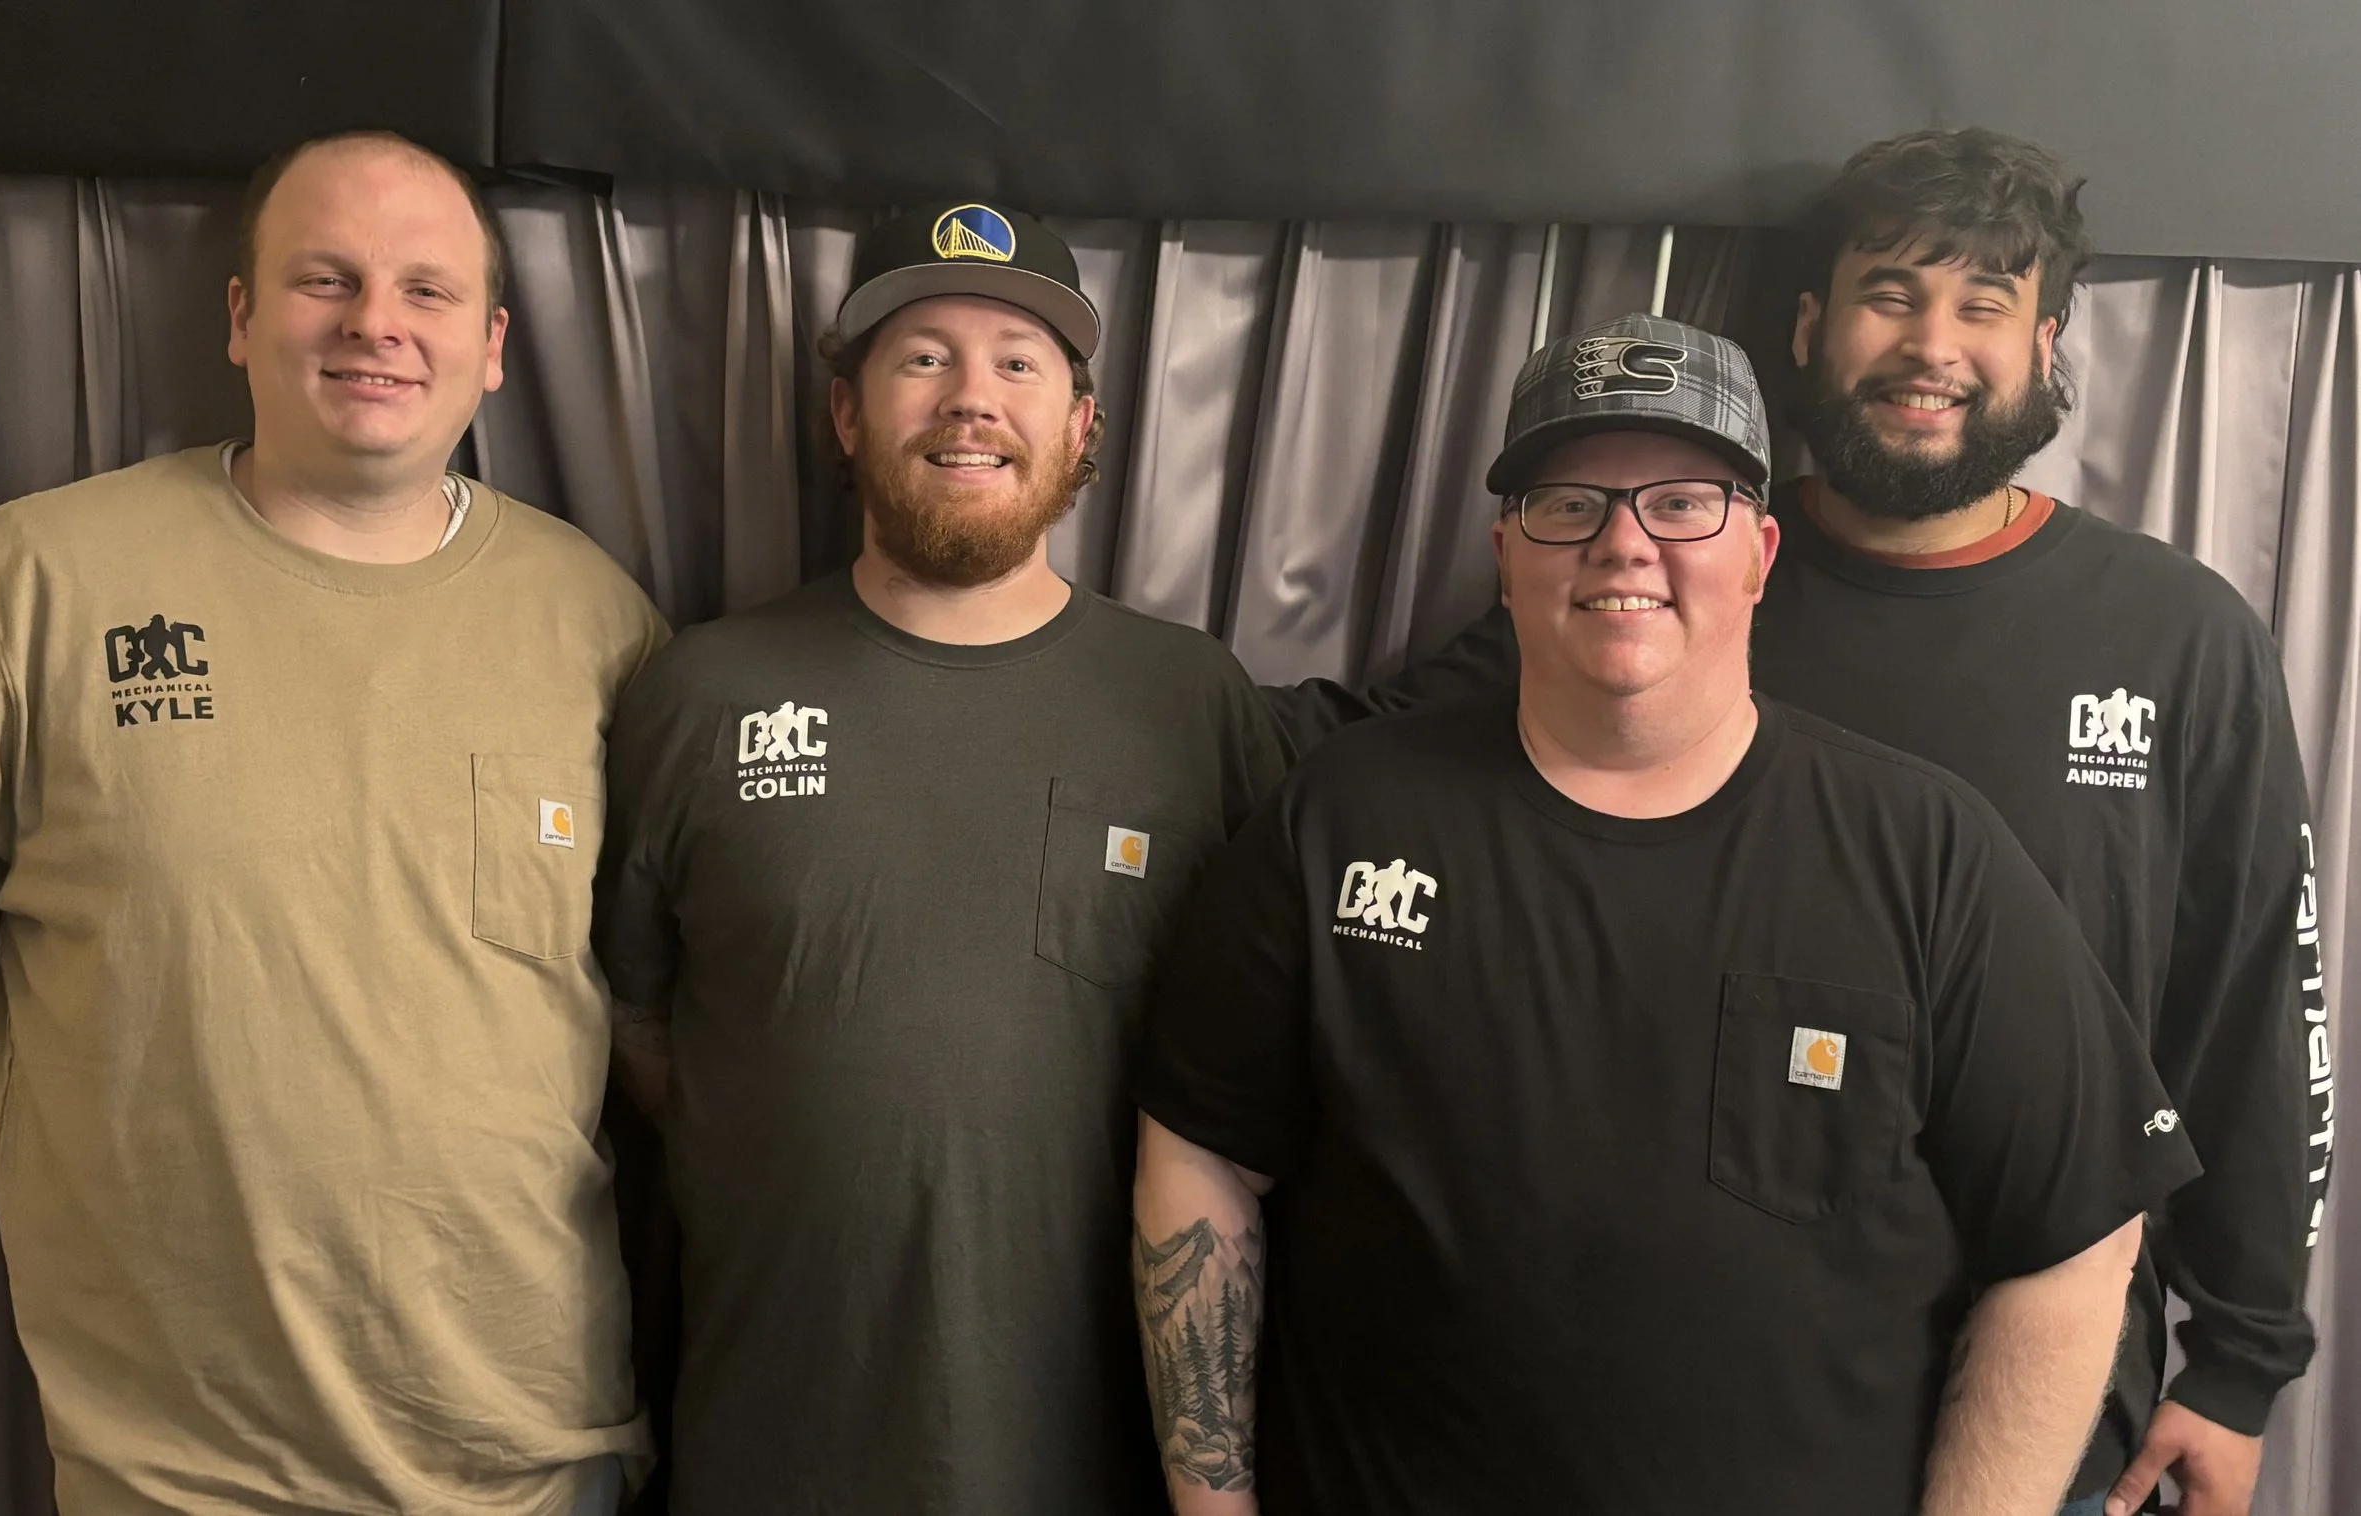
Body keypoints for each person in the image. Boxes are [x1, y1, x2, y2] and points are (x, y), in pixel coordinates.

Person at [1267, 130, 2333, 1516]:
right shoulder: (1668, 575)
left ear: (2050, 345)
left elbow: (2259, 997)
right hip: (1709, 1416)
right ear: (1814, 328)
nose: (1931, 344)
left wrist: (2239, 1363)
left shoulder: (2180, 635)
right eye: (1892, 294)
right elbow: (1380, 756)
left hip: (2046, 1412)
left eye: (1983, 305)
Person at [1139, 311, 2202, 1516]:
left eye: (1681, 502)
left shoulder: (1926, 852)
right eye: (1569, 503)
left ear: (1757, 552)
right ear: (1506, 551)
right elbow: (1201, 1155)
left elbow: (2079, 1238)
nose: (1621, 544)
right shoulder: (1341, 816)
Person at [0, 131, 662, 1515]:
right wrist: (138, 1066)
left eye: (427, 291)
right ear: (238, 318)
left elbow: (648, 1007)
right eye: (324, 280)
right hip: (174, 1472)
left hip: (534, 1462)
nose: (374, 325)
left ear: (493, 346)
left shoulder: (599, 621)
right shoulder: (20, 589)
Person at [591, 202, 1289, 1515]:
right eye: (923, 356)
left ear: (1084, 424)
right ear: (847, 413)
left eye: (1019, 362)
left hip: (1099, 1458)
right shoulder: (697, 692)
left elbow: (1253, 1083)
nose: (972, 399)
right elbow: (643, 1029)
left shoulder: (1193, 704)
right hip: (773, 1441)